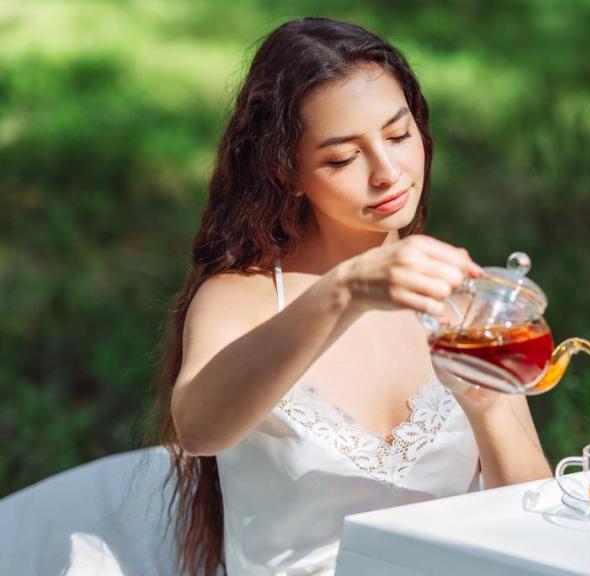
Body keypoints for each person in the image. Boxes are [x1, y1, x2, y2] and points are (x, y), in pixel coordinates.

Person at [0, 17, 551, 575]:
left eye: (399, 134)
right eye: (342, 158)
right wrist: (346, 291)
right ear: (286, 171)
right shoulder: (242, 296)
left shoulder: (465, 300)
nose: (388, 173)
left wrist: (489, 408)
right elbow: (198, 430)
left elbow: (532, 525)